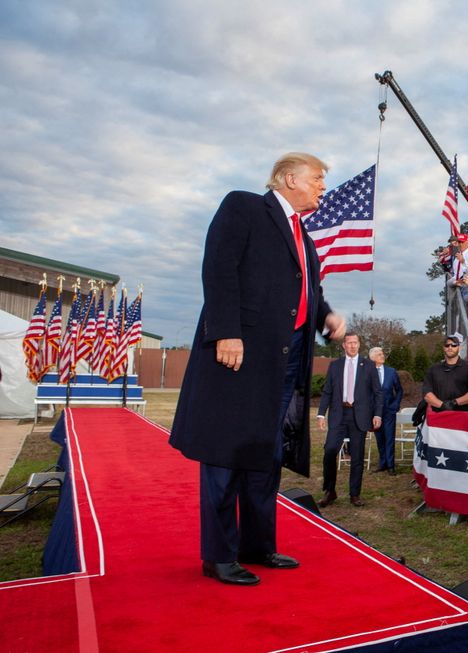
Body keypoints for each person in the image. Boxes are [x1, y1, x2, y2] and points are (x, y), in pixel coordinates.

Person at [170, 152, 345, 586]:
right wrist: (225, 331)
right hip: (239, 351)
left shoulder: (303, 236)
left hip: (285, 357)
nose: (323, 186)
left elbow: (306, 290)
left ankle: (257, 544)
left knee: (265, 454)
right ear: (289, 178)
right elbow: (219, 268)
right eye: (317, 178)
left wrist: (324, 316)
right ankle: (219, 555)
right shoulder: (244, 206)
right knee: (226, 451)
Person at [317, 333, 383, 507]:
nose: (352, 346)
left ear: (359, 345)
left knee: (357, 457)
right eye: (349, 343)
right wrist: (321, 414)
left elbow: (378, 393)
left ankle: (355, 494)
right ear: (344, 345)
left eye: (355, 343)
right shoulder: (335, 366)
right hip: (339, 414)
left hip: (359, 417)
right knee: (330, 451)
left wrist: (377, 414)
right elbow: (327, 391)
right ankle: (330, 491)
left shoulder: (369, 366)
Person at [422, 335, 468, 414]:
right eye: (447, 345)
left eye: (454, 345)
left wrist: (454, 403)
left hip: (464, 415)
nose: (450, 347)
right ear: (443, 348)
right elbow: (426, 392)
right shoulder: (433, 369)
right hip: (438, 416)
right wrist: (442, 405)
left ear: (459, 347)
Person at [368, 346, 403, 475]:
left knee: (389, 437)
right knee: (380, 438)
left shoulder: (391, 371)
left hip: (389, 411)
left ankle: (391, 465)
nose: (382, 356)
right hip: (374, 412)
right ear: (372, 358)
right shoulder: (367, 372)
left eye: (382, 354)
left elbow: (399, 390)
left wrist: (395, 404)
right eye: (379, 354)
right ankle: (382, 463)